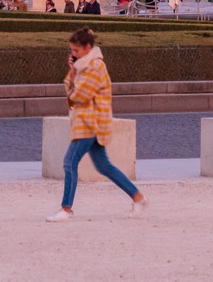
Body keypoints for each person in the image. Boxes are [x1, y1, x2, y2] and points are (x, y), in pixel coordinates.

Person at [47, 27, 146, 222]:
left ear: (87, 47)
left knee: (70, 162)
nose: (73, 54)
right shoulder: (86, 65)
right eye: (72, 51)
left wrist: (74, 73)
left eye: (76, 51)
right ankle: (138, 198)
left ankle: (66, 209)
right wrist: (74, 70)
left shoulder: (94, 67)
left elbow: (78, 95)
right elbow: (72, 90)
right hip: (90, 121)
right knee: (104, 166)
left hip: (90, 122)